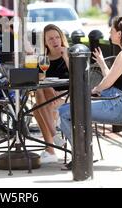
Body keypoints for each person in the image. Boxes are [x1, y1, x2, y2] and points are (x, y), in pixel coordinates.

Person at [58, 16, 122, 167]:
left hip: (114, 106)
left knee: (64, 112)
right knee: (70, 110)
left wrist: (95, 90)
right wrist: (102, 63)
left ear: (119, 34)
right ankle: (84, 152)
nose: (109, 33)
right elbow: (112, 79)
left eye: (112, 30)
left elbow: (108, 83)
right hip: (116, 104)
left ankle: (83, 155)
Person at [34, 24, 70, 164]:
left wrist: (66, 57)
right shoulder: (43, 59)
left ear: (61, 39)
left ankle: (50, 149)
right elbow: (39, 80)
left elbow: (77, 78)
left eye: (57, 37)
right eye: (50, 39)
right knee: (40, 88)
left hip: (68, 95)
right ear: (45, 43)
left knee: (37, 110)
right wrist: (51, 90)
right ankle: (54, 134)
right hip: (50, 98)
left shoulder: (70, 54)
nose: (55, 41)